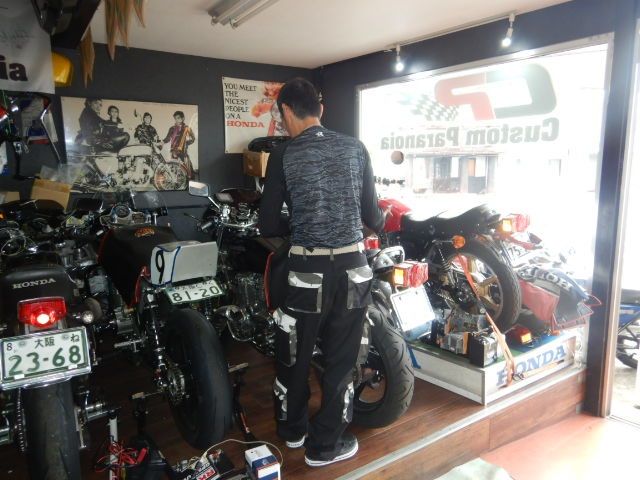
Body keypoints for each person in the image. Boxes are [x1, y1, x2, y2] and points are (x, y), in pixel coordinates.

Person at [258, 78, 385, 468]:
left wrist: (299, 226)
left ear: (286, 111)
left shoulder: (283, 154)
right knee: (342, 359)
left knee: (294, 352)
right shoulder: (356, 148)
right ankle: (325, 446)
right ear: (321, 109)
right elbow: (375, 217)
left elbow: (267, 224)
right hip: (354, 269)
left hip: (307, 271)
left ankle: (293, 431)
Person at [162, 110, 195, 178]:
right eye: (175, 118)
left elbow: (193, 138)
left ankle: (188, 181)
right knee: (175, 169)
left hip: (183, 152)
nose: (177, 120)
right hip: (174, 152)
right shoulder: (172, 128)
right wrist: (161, 142)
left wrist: (186, 143)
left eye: (178, 118)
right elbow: (167, 139)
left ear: (183, 118)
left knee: (186, 170)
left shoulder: (187, 128)